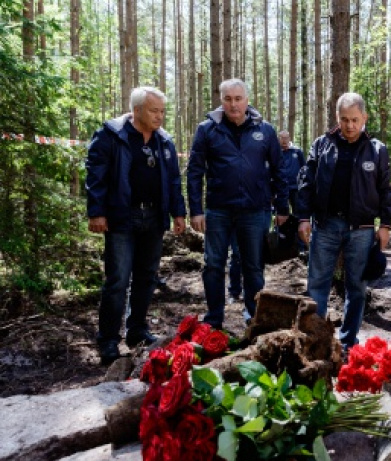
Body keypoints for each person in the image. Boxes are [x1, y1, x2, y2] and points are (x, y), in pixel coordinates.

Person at [86, 86, 187, 364]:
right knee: (117, 280)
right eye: (154, 111)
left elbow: (174, 180)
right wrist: (96, 211)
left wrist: (179, 213)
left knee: (147, 277)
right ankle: (108, 340)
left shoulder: (164, 141)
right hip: (122, 217)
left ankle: (137, 331)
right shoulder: (112, 135)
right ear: (137, 110)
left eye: (163, 111)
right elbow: (96, 174)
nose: (160, 116)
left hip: (154, 218)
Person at [295, 92, 391, 353]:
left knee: (357, 288)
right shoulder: (321, 145)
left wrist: (385, 225)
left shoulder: (377, 149)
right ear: (337, 118)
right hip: (325, 226)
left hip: (361, 230)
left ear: (364, 118)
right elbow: (306, 183)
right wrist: (303, 217)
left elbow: (385, 189)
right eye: (344, 120)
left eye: (354, 120)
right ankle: (316, 342)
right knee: (317, 284)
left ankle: (348, 342)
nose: (349, 126)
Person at [187, 79, 289, 329]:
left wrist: (283, 207)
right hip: (218, 210)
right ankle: (214, 319)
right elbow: (194, 171)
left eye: (238, 99)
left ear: (247, 100)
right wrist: (196, 210)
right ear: (221, 100)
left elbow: (279, 170)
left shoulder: (264, 130)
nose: (233, 104)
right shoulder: (207, 130)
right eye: (228, 99)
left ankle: (254, 319)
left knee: (253, 266)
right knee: (213, 264)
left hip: (255, 211)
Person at [278, 130, 307, 213]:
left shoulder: (297, 151)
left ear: (289, 138)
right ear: (278, 139)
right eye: (282, 138)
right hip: (281, 187)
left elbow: (304, 168)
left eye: (286, 138)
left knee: (297, 211)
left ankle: (297, 225)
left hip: (295, 187)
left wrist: (303, 184)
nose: (284, 140)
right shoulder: (276, 152)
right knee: (281, 212)